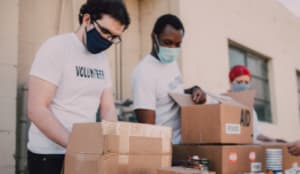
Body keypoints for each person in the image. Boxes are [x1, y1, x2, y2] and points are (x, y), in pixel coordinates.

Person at [26, 0, 130, 173]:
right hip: (48, 154)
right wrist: (75, 144)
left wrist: (111, 145)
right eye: (105, 32)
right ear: (87, 20)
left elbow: (108, 108)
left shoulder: (102, 59)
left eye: (114, 37)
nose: (108, 40)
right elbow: (36, 109)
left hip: (83, 152)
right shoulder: (56, 48)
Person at [131, 14, 206, 144]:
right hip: (166, 149)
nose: (172, 49)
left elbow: (171, 93)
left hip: (184, 142)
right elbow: (148, 130)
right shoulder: (144, 73)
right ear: (153, 37)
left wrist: (194, 90)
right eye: (167, 42)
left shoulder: (171, 63)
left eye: (178, 44)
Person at [229, 65, 286, 143]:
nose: (243, 85)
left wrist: (272, 140)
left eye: (246, 82)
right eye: (239, 82)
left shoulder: (250, 109)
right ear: (231, 82)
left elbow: (256, 134)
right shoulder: (220, 102)